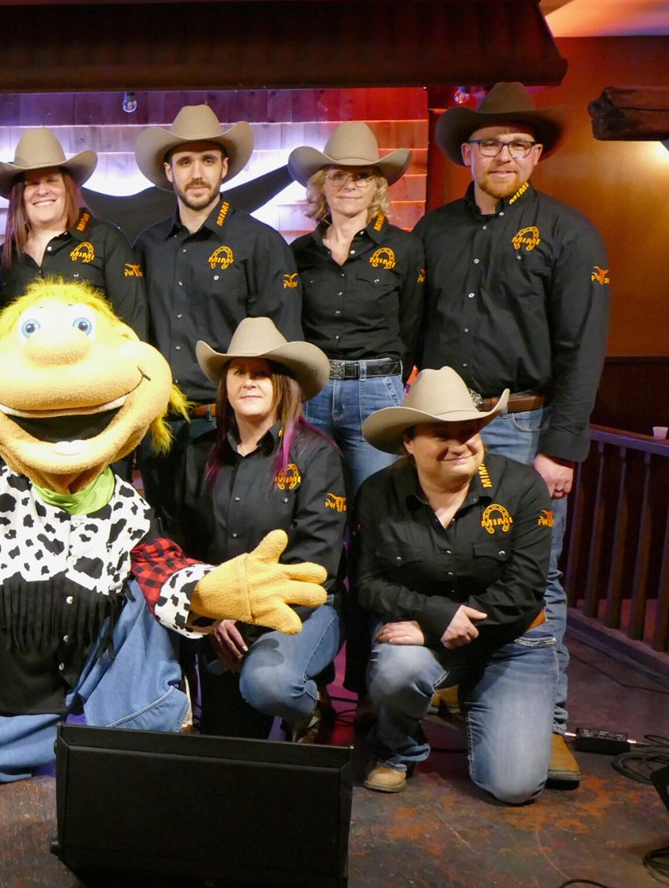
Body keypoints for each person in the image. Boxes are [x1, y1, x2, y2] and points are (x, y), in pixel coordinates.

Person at [0, 279, 330, 784]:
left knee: (146, 656)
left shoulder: (123, 498)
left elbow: (160, 564)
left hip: (93, 665)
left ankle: (103, 728)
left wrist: (207, 590)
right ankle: (92, 739)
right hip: (17, 682)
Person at [415, 82, 610, 786]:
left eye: (517, 144)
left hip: (526, 423)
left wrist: (561, 448)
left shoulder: (569, 232)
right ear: (467, 151)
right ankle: (462, 689)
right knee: (449, 559)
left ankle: (549, 718)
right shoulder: (435, 231)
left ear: (536, 155)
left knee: (536, 571)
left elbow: (585, 348)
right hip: (441, 423)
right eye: (489, 142)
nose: (503, 154)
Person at [354, 367, 557, 804]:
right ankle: (397, 750)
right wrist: (438, 617)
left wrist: (434, 624)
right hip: (423, 640)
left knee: (513, 788)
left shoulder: (522, 487)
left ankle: (483, 703)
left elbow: (525, 591)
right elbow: (368, 585)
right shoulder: (377, 493)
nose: (460, 445)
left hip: (512, 641)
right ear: (409, 442)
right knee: (396, 669)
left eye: (469, 431)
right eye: (441, 434)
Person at [159, 319, 346, 741]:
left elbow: (316, 563)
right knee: (230, 745)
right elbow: (177, 543)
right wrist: (210, 613)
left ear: (283, 383)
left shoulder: (317, 456)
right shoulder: (195, 454)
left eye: (261, 372)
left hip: (298, 610)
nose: (249, 381)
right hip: (216, 615)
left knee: (268, 685)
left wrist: (243, 613)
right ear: (225, 383)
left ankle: (309, 708)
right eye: (239, 372)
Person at [132, 104, 302, 518]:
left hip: (230, 423)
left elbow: (282, 345)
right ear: (169, 171)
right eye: (185, 161)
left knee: (230, 540)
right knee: (165, 543)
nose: (197, 173)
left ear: (224, 167)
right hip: (162, 425)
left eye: (208, 160)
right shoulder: (146, 246)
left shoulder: (259, 243)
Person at [287, 122, 422, 491]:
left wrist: (388, 379)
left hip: (377, 388)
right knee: (314, 500)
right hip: (314, 391)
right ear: (322, 184)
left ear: (377, 186)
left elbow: (412, 323)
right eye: (338, 175)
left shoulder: (404, 249)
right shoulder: (298, 254)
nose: (349, 185)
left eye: (362, 176)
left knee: (375, 500)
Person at [0, 127, 143, 336]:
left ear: (67, 187)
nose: (42, 191)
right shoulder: (6, 256)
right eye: (32, 183)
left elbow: (133, 325)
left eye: (51, 180)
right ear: (20, 196)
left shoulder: (107, 241)